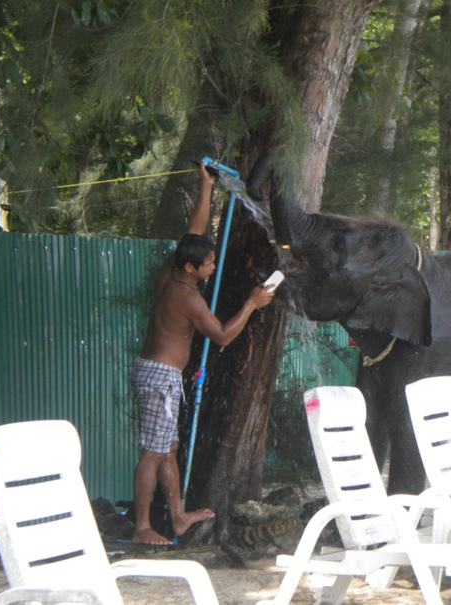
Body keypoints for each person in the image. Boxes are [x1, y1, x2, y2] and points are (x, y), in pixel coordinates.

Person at [130, 160, 276, 545]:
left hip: (159, 374)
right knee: (152, 453)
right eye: (209, 263)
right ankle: (142, 527)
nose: (214, 266)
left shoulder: (173, 270)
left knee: (169, 448)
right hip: (160, 378)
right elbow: (224, 336)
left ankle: (177, 516)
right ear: (193, 268)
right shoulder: (189, 299)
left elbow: (194, 230)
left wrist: (206, 187)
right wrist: (251, 302)